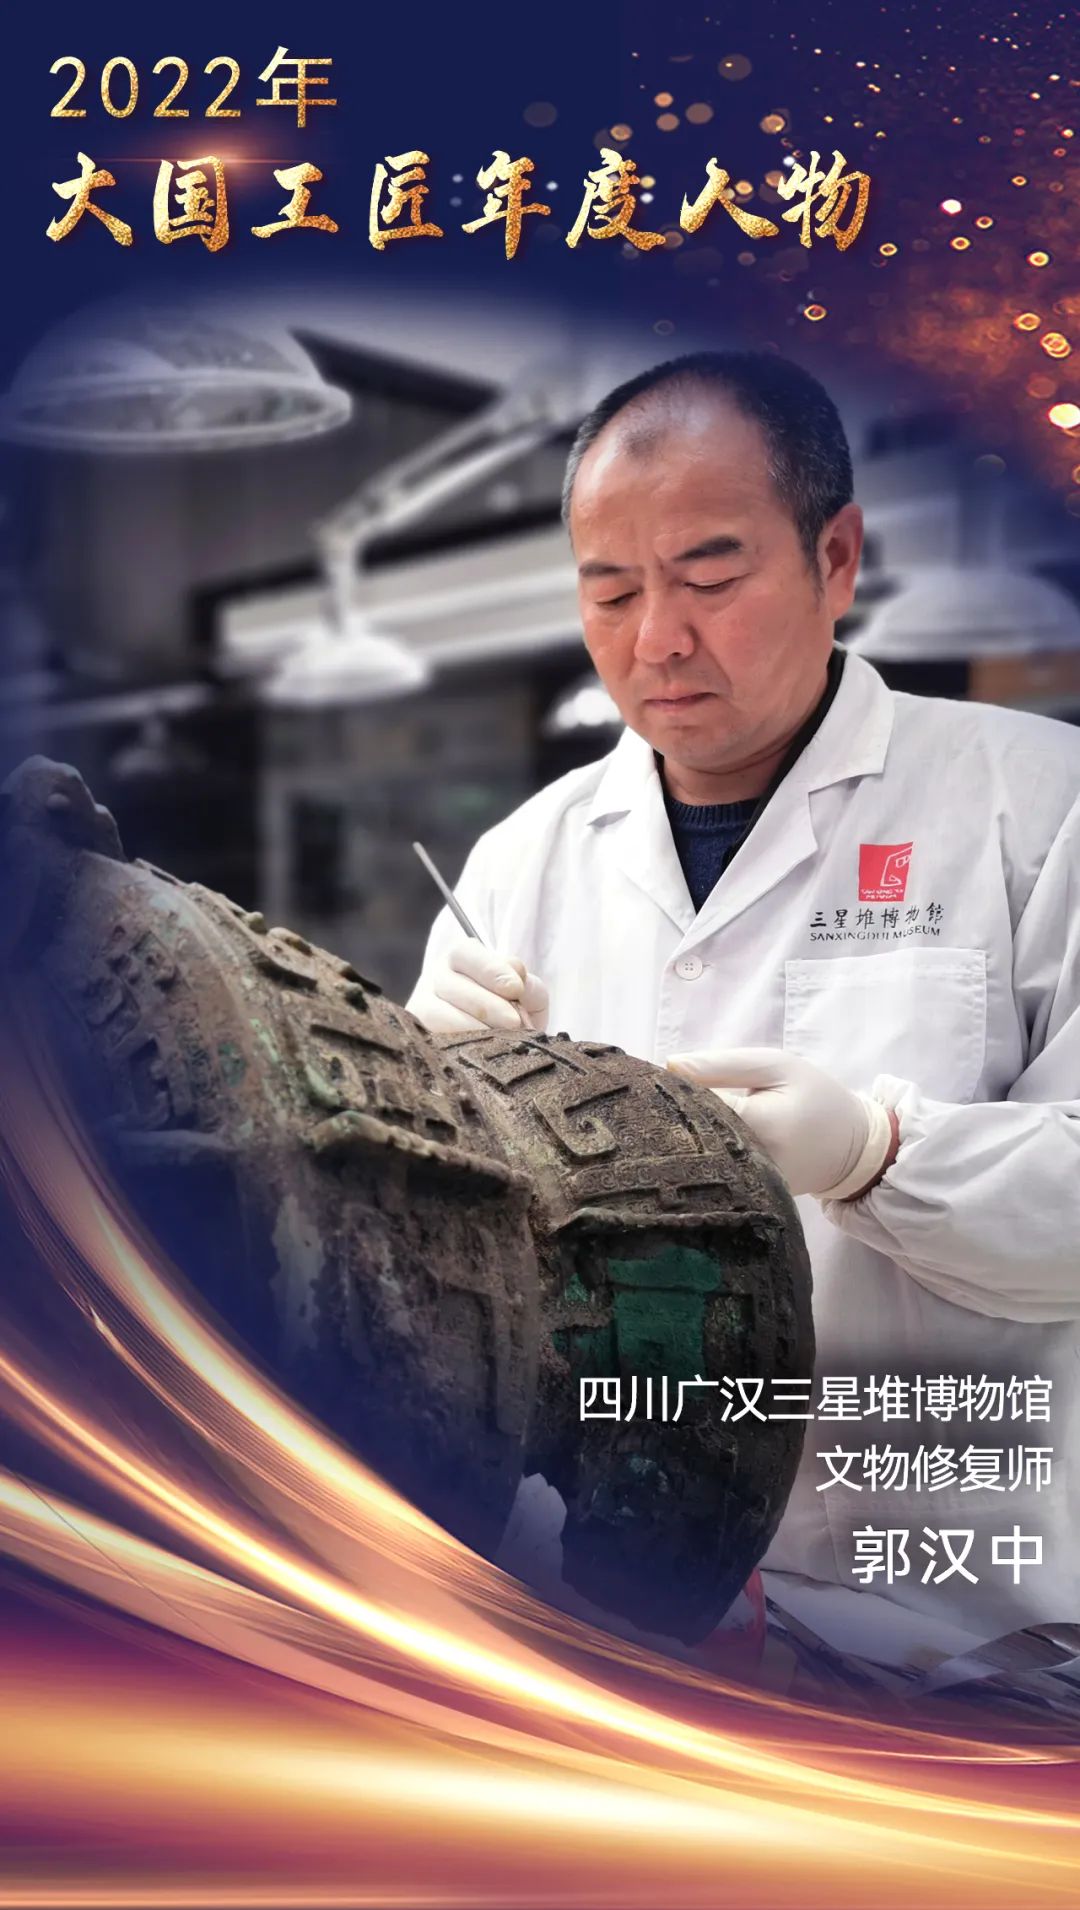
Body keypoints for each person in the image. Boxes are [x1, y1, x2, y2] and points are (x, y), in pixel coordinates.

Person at [408, 351, 1080, 1657]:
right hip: (615, 1607)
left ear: (836, 558)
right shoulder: (520, 863)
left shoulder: (1037, 805)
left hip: (953, 1623)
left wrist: (879, 1155)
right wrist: (425, 1103)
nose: (657, 638)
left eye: (710, 578)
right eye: (612, 590)